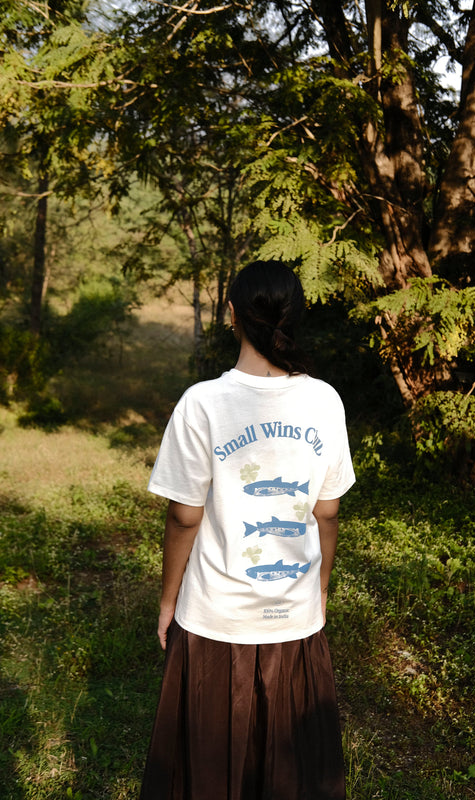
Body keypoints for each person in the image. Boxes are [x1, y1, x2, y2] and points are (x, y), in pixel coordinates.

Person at [140, 260, 355, 800]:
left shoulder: (202, 403)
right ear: (295, 316)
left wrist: (167, 600)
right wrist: (320, 588)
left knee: (208, 769)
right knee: (292, 770)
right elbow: (327, 512)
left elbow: (184, 516)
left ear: (231, 314)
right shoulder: (326, 400)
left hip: (214, 619)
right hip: (295, 617)